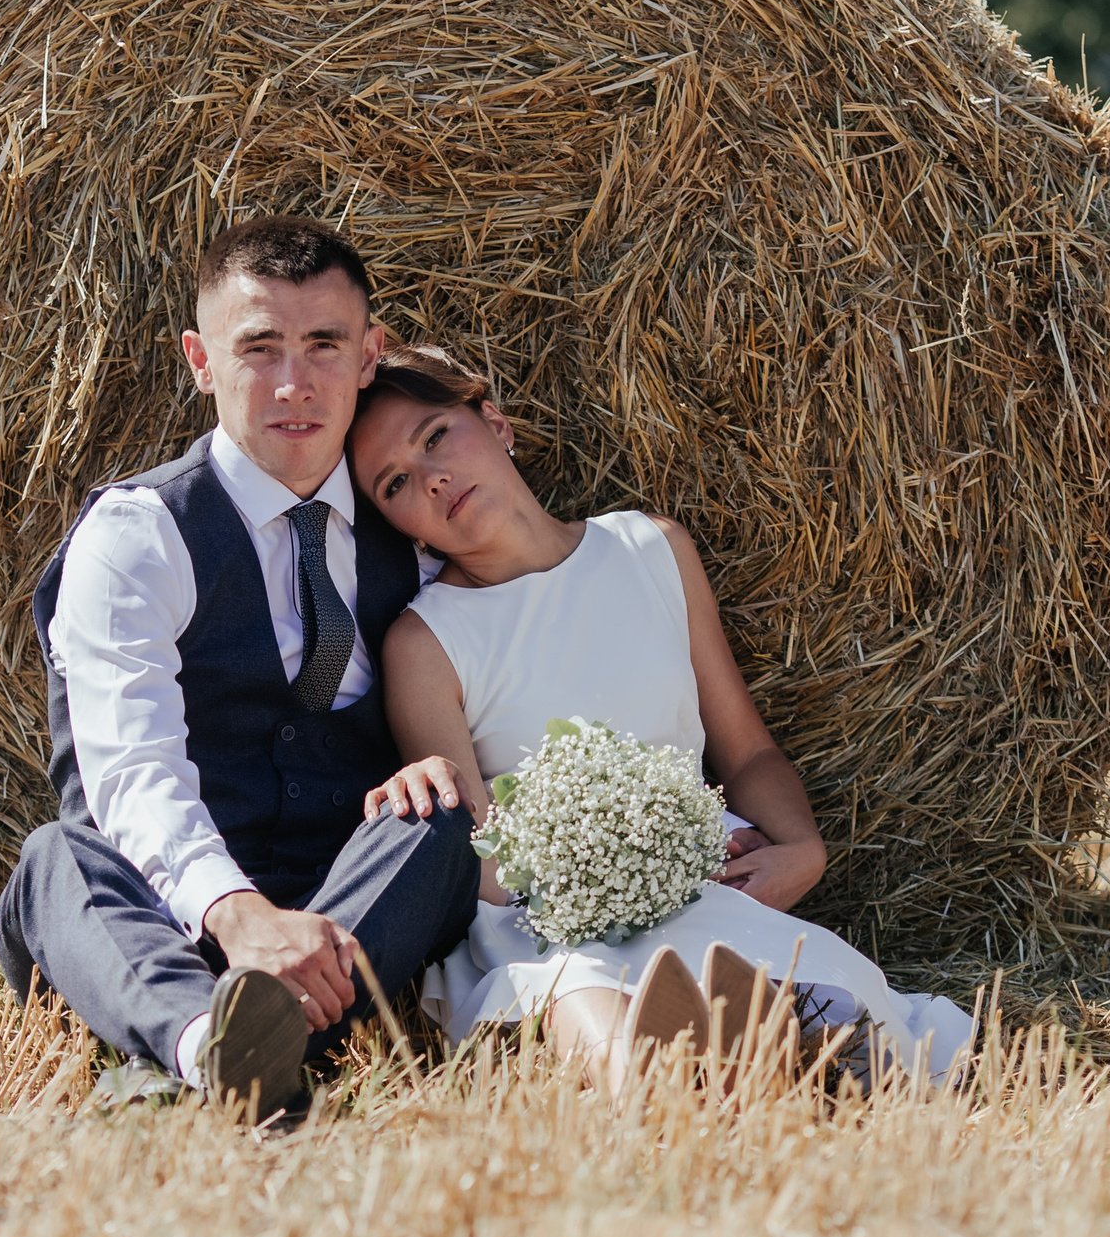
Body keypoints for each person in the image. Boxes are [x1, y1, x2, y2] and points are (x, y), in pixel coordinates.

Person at [349, 347, 975, 1089]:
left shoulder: (651, 549)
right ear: (398, 525)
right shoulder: (425, 643)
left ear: (495, 420)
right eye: (397, 484)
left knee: (851, 1023)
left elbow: (747, 754)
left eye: (435, 437)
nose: (433, 478)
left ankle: (761, 1047)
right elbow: (482, 867)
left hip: (702, 888)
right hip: (544, 925)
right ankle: (671, 1089)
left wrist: (802, 847)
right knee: (582, 994)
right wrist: (611, 872)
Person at [0, 220, 481, 1117]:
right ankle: (207, 1040)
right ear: (200, 359)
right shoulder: (137, 537)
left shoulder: (411, 540)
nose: (295, 384)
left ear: (370, 355)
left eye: (324, 344)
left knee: (438, 816)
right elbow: (131, 771)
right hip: (158, 910)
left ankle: (228, 1047)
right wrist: (239, 915)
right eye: (259, 347)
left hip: (340, 902)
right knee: (56, 858)